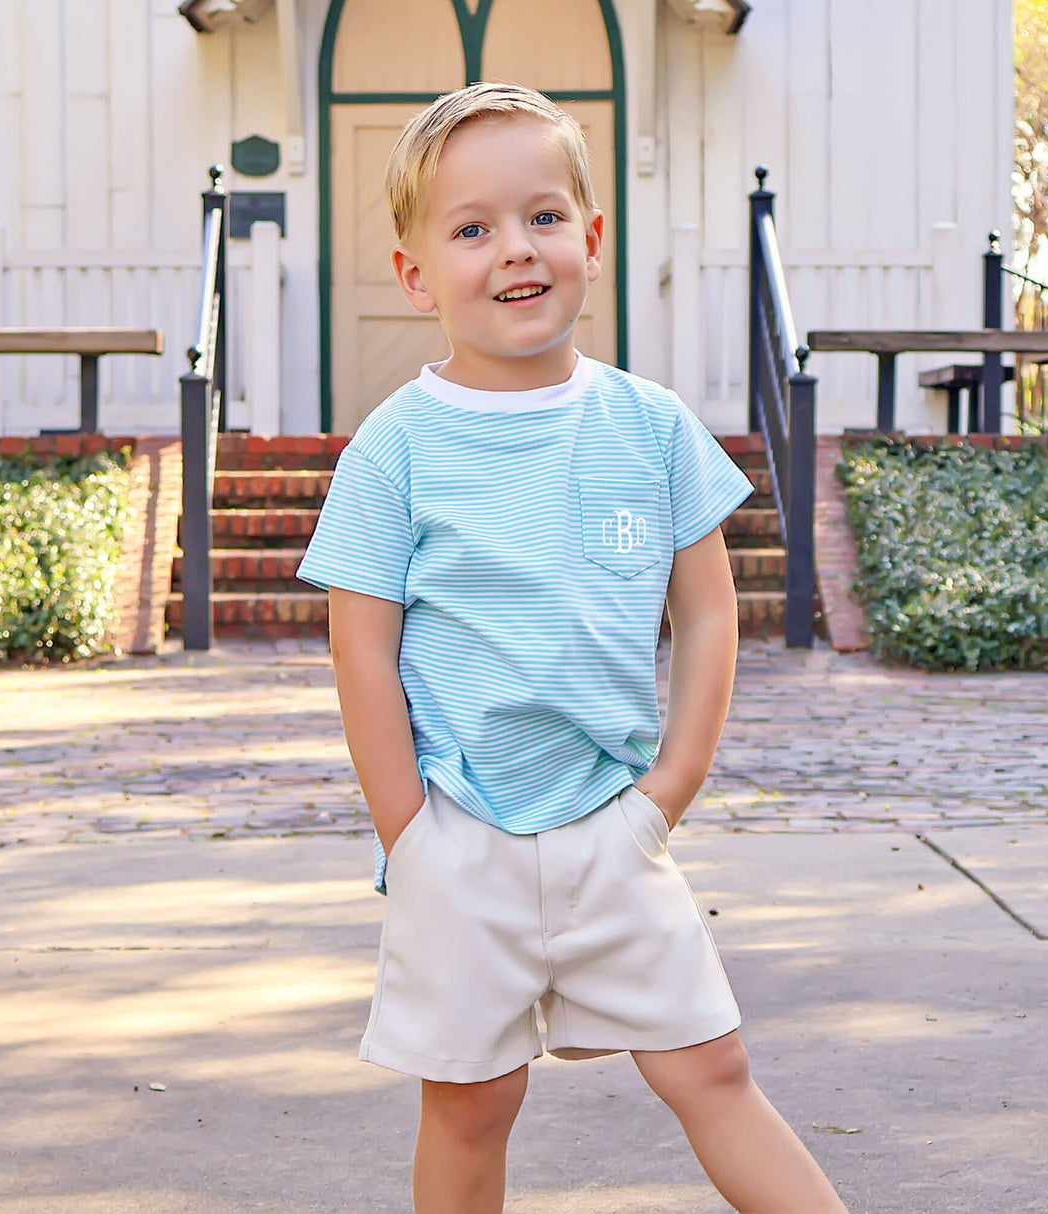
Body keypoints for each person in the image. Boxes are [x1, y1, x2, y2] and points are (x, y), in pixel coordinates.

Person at [297, 81, 849, 1214]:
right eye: (471, 228)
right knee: (469, 1099)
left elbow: (705, 612)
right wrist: (410, 834)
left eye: (543, 217)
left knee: (712, 1065)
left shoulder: (648, 425)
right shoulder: (395, 448)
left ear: (592, 241)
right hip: (459, 830)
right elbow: (361, 650)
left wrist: (665, 793)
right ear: (414, 276)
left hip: (613, 826)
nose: (516, 250)